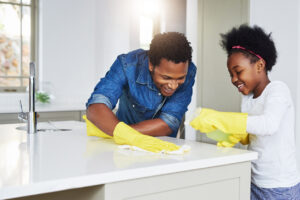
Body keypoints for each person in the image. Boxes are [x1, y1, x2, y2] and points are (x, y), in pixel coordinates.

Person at [190, 24, 300, 199]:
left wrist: (220, 118)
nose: (234, 79)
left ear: (260, 65)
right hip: (255, 180)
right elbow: (250, 133)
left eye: (238, 71)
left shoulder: (278, 90)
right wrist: (224, 134)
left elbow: (268, 125)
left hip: (279, 187)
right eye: (230, 74)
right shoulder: (248, 99)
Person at [85, 32, 196, 153]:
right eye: (166, 77)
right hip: (122, 148)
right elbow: (96, 105)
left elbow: (169, 122)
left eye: (180, 78)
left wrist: (121, 132)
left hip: (161, 149)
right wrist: (126, 136)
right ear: (151, 65)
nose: (173, 85)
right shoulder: (127, 64)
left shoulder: (189, 71)